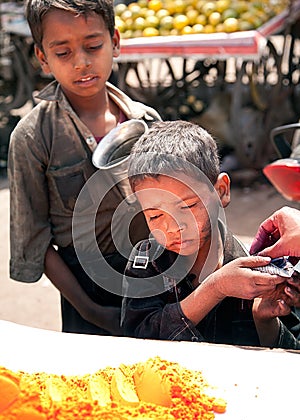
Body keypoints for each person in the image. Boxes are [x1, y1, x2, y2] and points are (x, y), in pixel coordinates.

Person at [8, 0, 161, 335]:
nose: (81, 62)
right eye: (63, 53)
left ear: (115, 42)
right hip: (88, 290)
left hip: (157, 275)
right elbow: (34, 239)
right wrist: (91, 311)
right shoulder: (33, 138)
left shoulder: (147, 122)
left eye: (93, 46)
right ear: (42, 59)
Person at [121, 121, 300, 349]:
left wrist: (264, 320)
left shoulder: (257, 268)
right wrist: (215, 288)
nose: (174, 226)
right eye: (155, 216)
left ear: (221, 191)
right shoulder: (145, 263)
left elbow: (291, 355)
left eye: (187, 206)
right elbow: (135, 340)